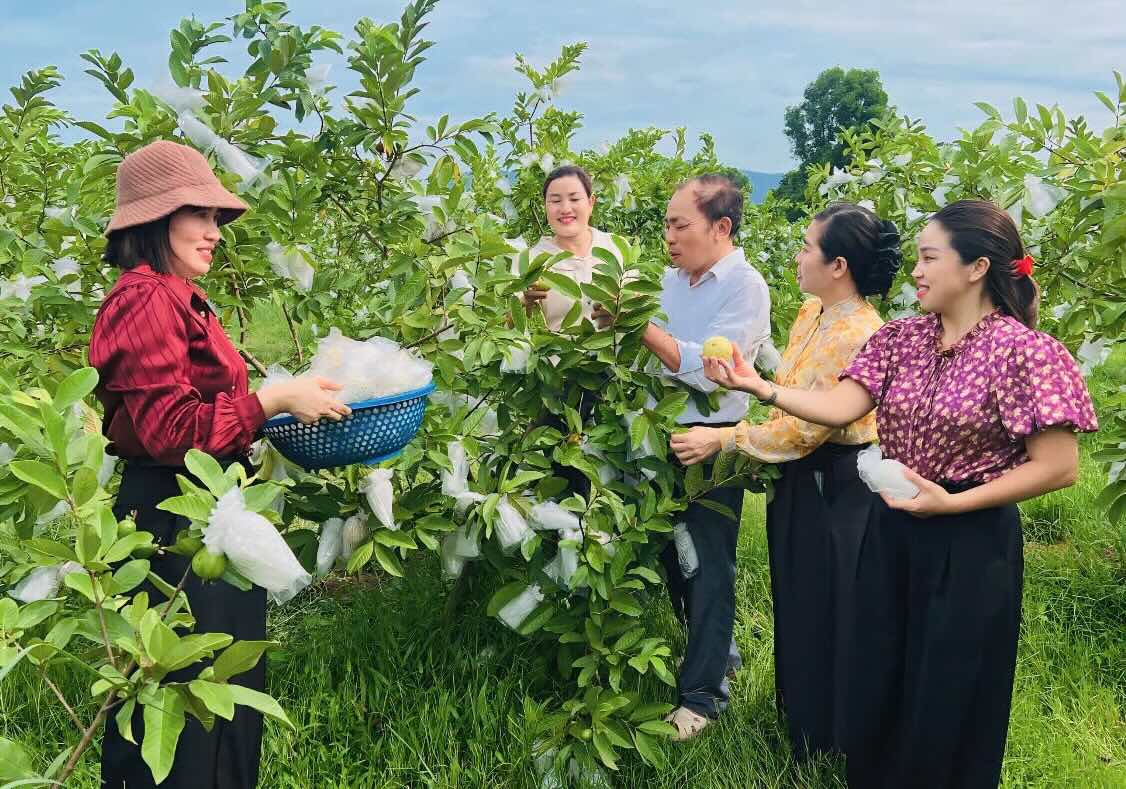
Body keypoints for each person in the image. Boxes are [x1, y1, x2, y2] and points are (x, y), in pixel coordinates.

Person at [702, 199, 1098, 787]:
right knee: (880, 670)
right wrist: (759, 386)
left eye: (929, 258)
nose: (915, 271)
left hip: (970, 537)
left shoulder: (1023, 352)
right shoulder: (902, 338)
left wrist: (954, 502)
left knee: (949, 684)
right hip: (891, 527)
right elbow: (842, 407)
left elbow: (1059, 466)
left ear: (976, 268)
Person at [90, 140, 349, 788]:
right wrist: (271, 401)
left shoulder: (177, 295)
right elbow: (169, 431)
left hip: (204, 510)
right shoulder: (146, 299)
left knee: (216, 696)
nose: (214, 231)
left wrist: (277, 406)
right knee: (181, 707)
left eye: (216, 218)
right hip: (171, 517)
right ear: (155, 221)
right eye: (198, 215)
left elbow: (200, 409)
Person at [669, 203, 902, 758]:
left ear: (838, 265)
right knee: (797, 598)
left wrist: (724, 439)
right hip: (801, 478)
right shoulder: (813, 311)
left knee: (827, 604)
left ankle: (830, 740)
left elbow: (805, 430)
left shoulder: (858, 331)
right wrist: (749, 379)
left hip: (836, 481)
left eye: (806, 247)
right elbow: (793, 388)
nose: (797, 256)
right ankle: (801, 724)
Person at [597, 174, 771, 740]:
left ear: (721, 227)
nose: (669, 236)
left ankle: (703, 695)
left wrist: (640, 327)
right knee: (674, 555)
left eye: (680, 225)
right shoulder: (669, 283)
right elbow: (646, 356)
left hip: (710, 441)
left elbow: (709, 369)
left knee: (708, 563)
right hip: (658, 434)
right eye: (666, 225)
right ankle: (719, 653)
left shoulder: (745, 287)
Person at [520, 165, 623, 330]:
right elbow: (506, 325)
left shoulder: (616, 246)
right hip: (556, 347)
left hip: (616, 347)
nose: (565, 209)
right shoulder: (530, 259)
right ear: (545, 206)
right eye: (555, 201)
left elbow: (637, 307)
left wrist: (619, 310)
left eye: (574, 199)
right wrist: (524, 303)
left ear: (591, 203)